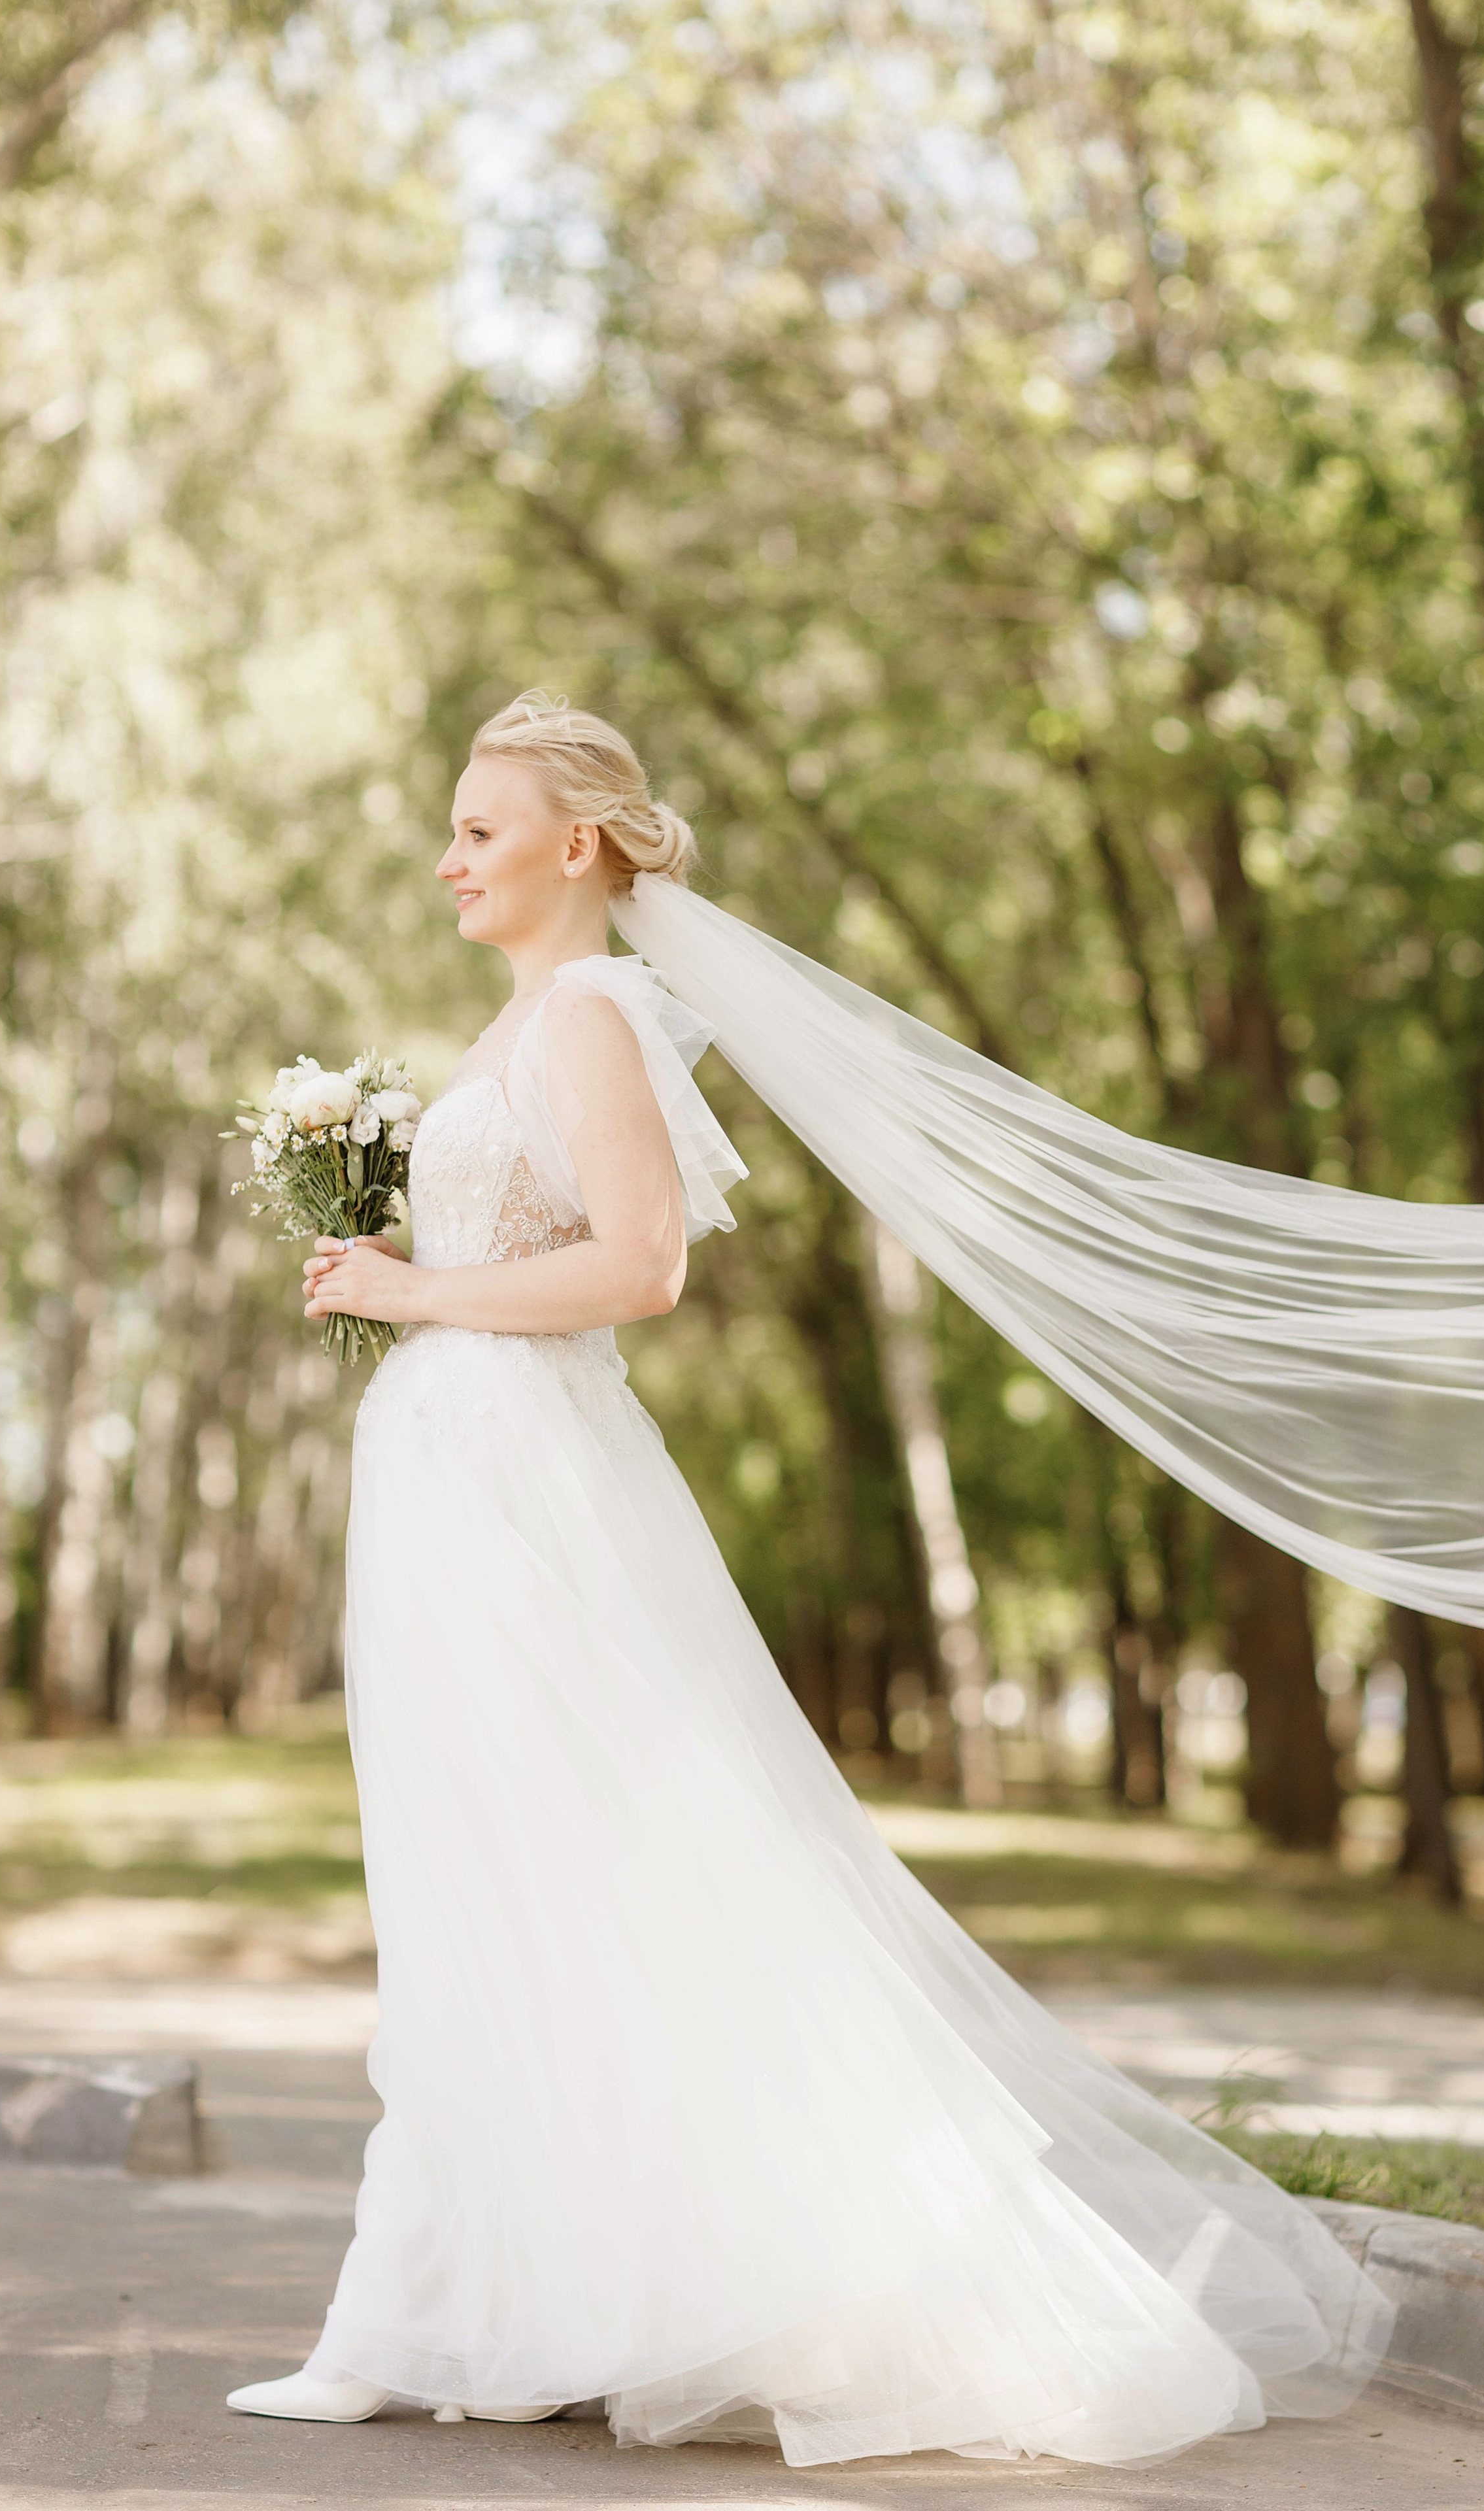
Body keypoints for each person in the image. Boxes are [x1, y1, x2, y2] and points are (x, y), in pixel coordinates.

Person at [225, 692, 1390, 2467]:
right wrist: (406, 1257)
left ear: (582, 842)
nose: (450, 855)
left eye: (480, 824)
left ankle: (411, 2311)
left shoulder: (599, 1011)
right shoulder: (525, 1020)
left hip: (532, 1497)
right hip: (461, 1488)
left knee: (566, 1876)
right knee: (492, 1893)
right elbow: (521, 1242)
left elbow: (641, 1264)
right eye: (454, 826)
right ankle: (510, 2302)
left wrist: (413, 1296)